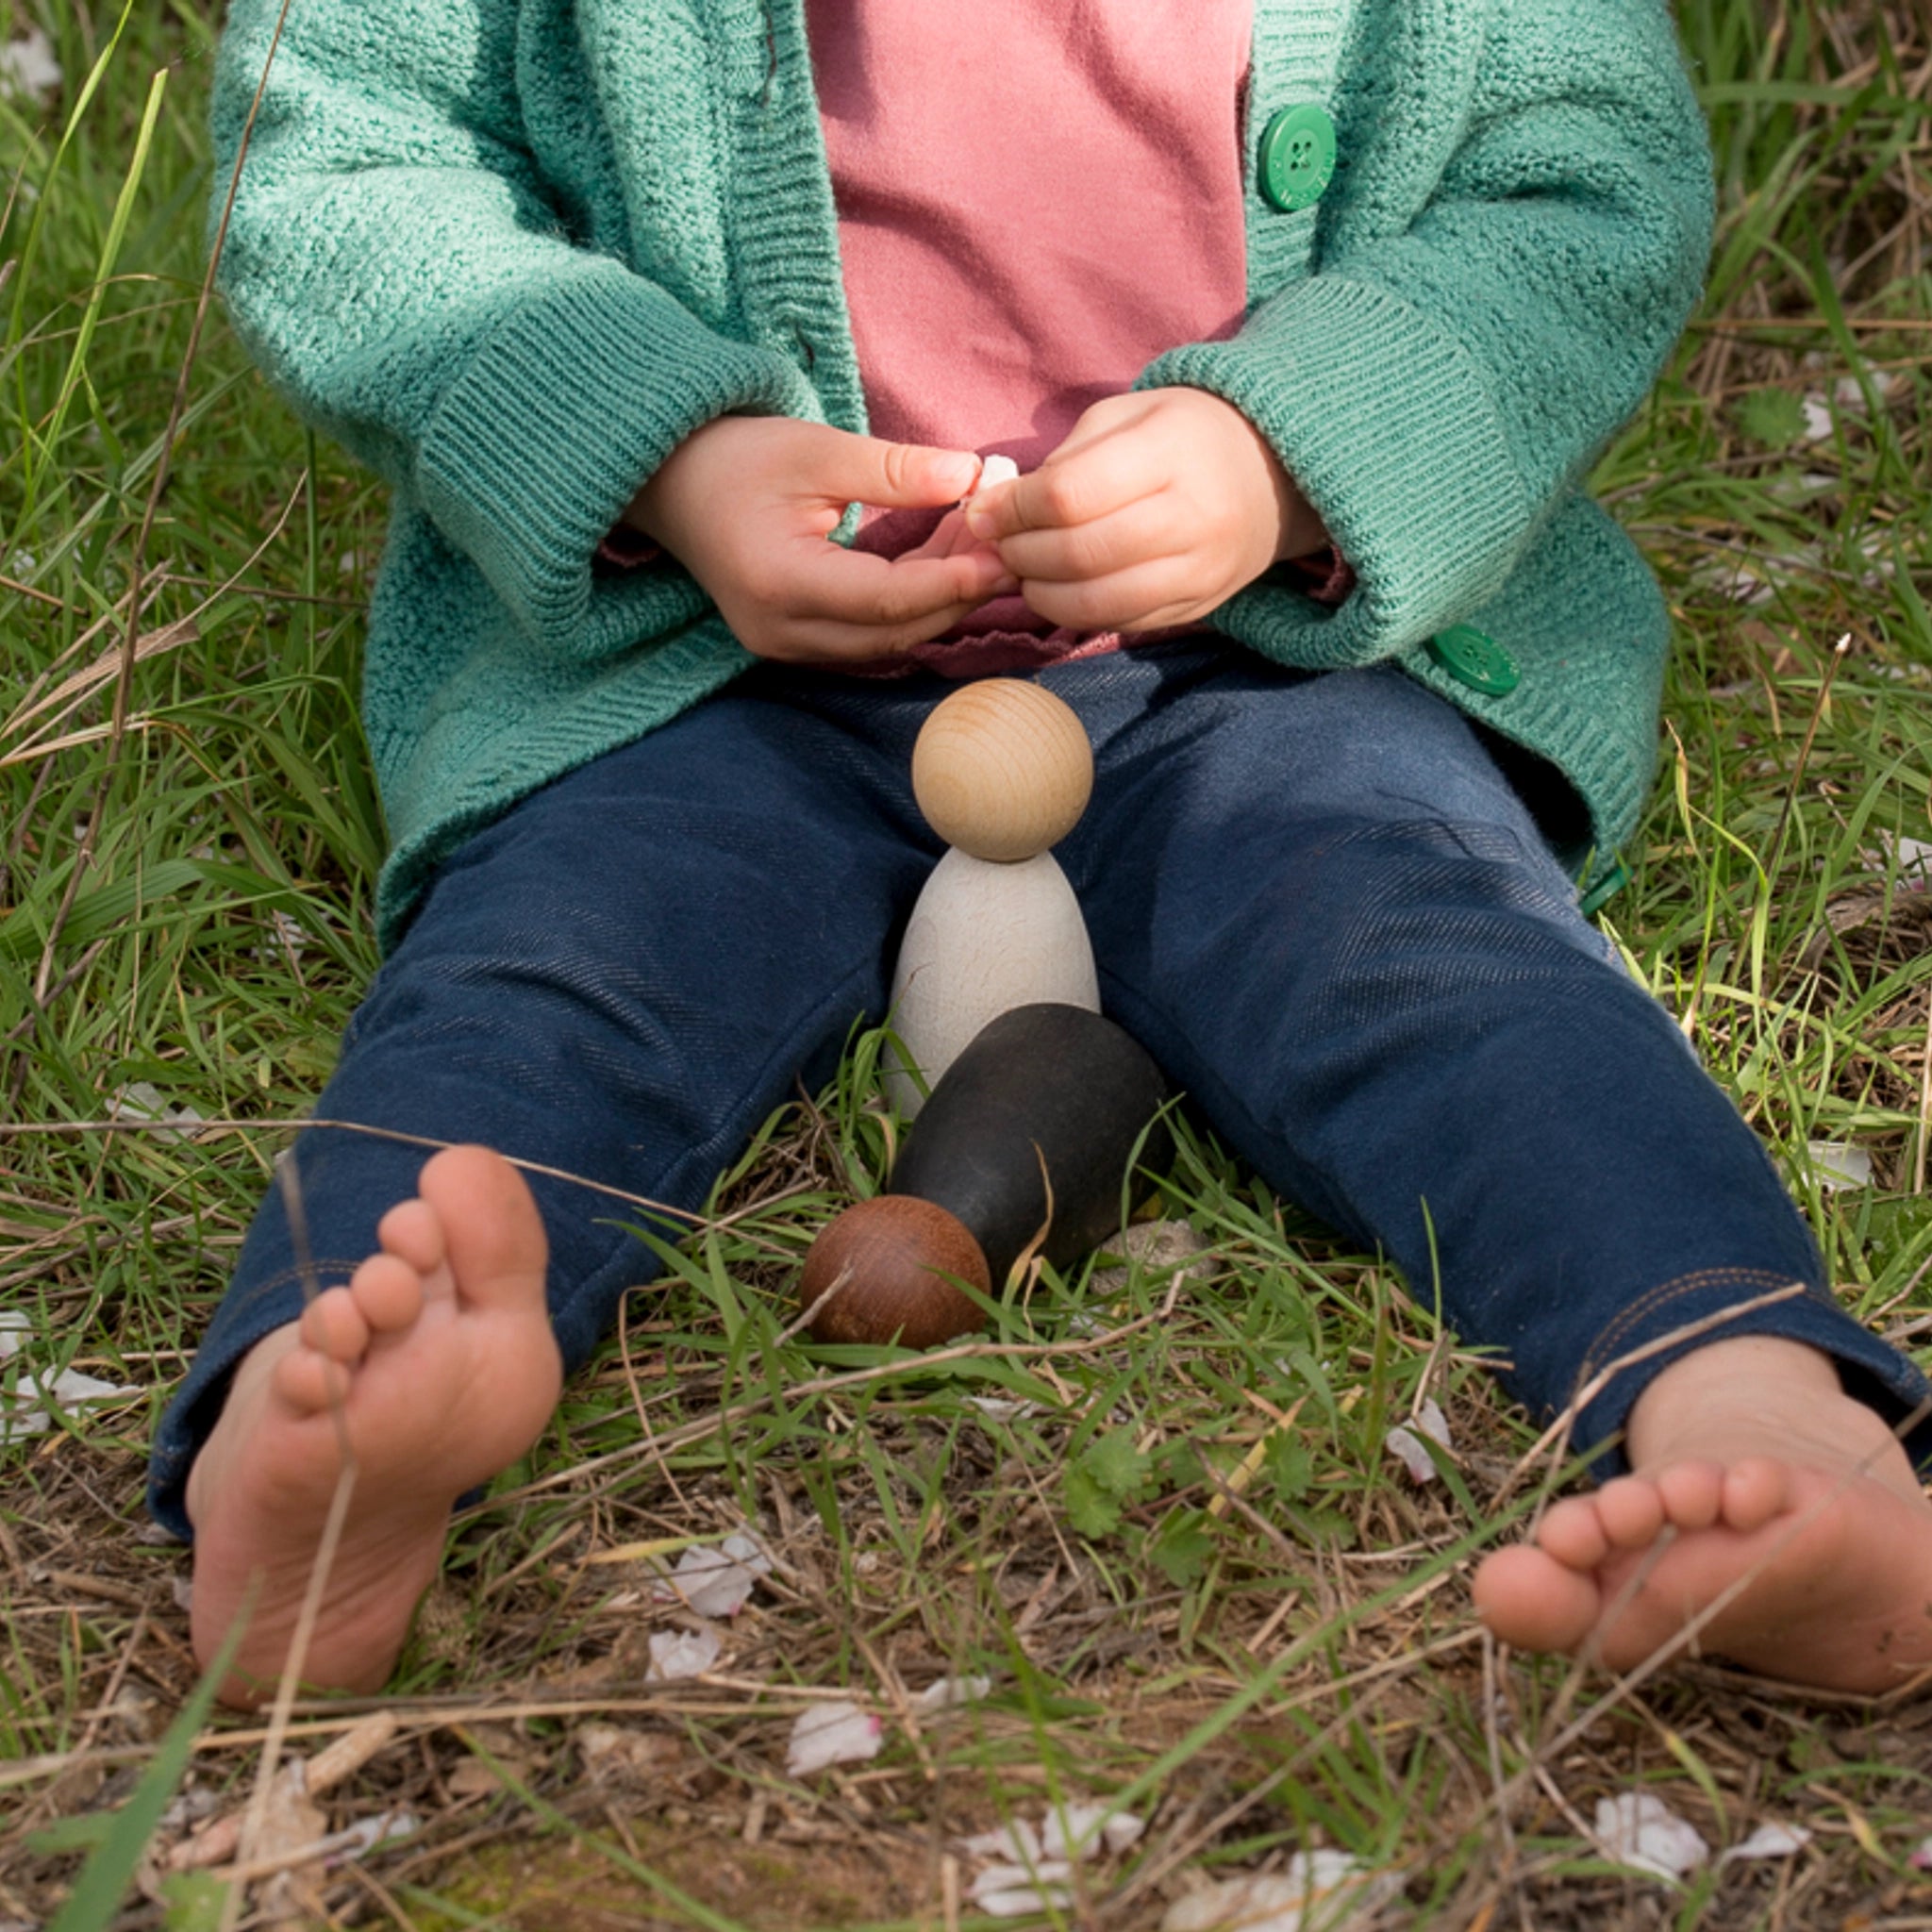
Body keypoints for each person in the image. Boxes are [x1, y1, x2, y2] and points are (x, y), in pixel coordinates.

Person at [154, 0, 1932, 1708]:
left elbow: (1580, 177)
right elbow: (347, 156)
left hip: (1260, 663)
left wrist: (1291, 451)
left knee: (1431, 954)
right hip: (700, 659)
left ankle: (1749, 1392)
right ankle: (320, 1416)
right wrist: (667, 459)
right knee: (565, 967)